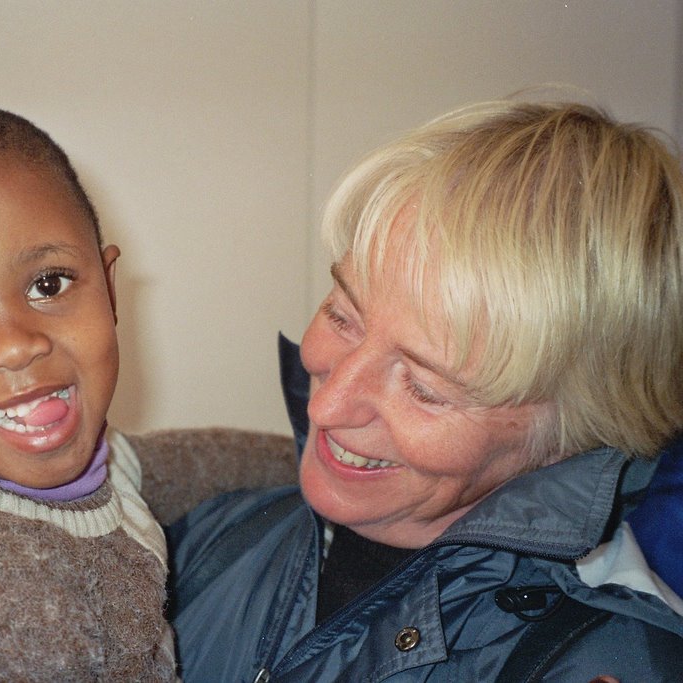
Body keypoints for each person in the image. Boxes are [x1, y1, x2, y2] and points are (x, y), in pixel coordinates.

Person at [168, 98, 683, 682]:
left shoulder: (602, 662)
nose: (327, 406)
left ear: (571, 437)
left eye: (425, 388)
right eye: (342, 316)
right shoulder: (221, 537)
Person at [0, 102, 298, 681]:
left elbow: (186, 463)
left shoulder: (82, 473)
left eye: (48, 284)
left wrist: (320, 459)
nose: (15, 346)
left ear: (111, 292)